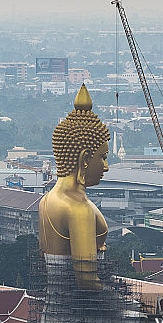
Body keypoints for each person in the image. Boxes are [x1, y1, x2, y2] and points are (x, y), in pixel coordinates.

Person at [39, 84, 110, 290]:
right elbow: (86, 278)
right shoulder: (78, 208)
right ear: (85, 159)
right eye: (103, 158)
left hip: (54, 300)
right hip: (82, 308)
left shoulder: (47, 199)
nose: (106, 166)